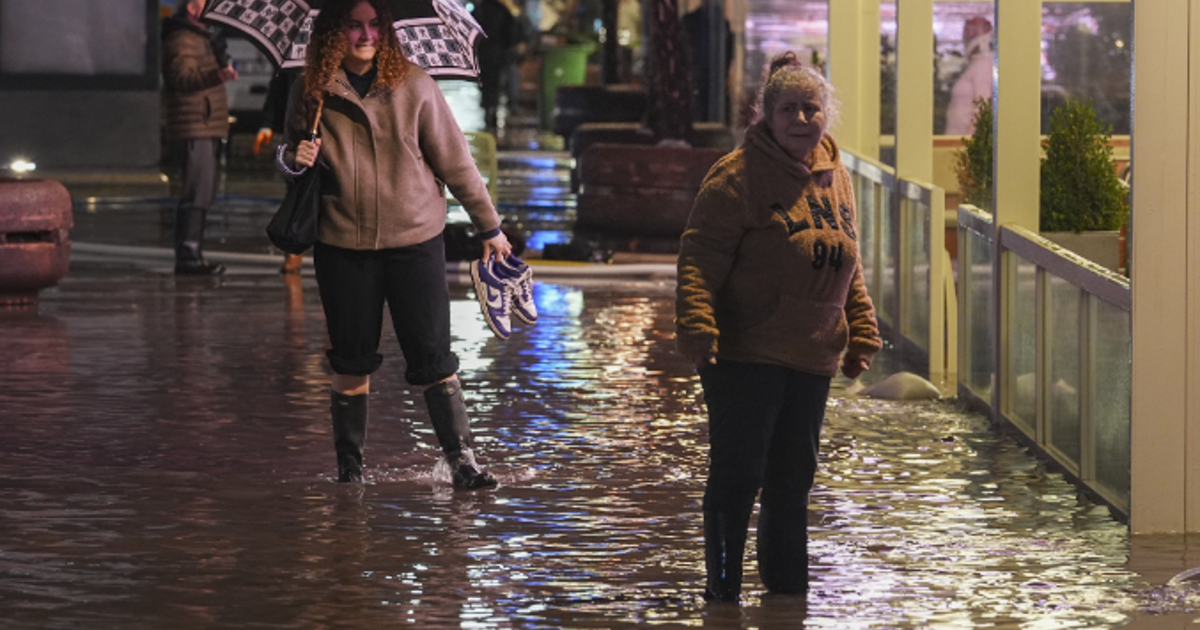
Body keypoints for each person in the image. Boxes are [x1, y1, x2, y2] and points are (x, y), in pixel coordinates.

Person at [279, 0, 513, 488]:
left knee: (433, 357)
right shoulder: (310, 91)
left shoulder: (414, 85)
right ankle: (350, 471)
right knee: (350, 358)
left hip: (415, 241)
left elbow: (456, 162)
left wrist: (489, 227)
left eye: (373, 26)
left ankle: (462, 461)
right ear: (332, 33)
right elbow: (291, 165)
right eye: (353, 26)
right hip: (342, 242)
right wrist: (294, 156)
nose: (365, 35)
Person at [675, 51, 882, 601]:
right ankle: (722, 594)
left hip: (813, 356)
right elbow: (699, 257)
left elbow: (848, 263)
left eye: (810, 108)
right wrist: (698, 328)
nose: (800, 119)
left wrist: (862, 331)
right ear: (765, 114)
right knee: (738, 476)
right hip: (746, 353)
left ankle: (788, 597)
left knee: (793, 482)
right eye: (788, 108)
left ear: (826, 115)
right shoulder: (736, 177)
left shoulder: (837, 178)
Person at [161, 0, 239, 275]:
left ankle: (193, 253)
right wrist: (216, 75)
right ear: (192, 7)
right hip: (194, 125)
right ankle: (188, 255)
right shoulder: (182, 38)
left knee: (204, 190)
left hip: (205, 124)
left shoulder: (204, 37)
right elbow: (181, 77)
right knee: (197, 191)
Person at [254, 69, 306, 274]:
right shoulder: (294, 59)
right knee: (293, 193)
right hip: (297, 130)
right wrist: (267, 124)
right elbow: (278, 89)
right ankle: (293, 251)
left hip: (332, 134)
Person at [472, 0, 520, 132]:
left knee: (485, 84)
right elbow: (511, 34)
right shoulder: (503, 11)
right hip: (498, 55)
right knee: (495, 84)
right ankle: (492, 110)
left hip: (483, 55)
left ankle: (487, 109)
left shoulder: (479, 10)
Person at [681, 0, 733, 122]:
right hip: (694, 84)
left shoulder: (722, 25)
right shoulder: (689, 22)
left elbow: (727, 56)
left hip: (714, 84)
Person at [944, 16, 993, 135]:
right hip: (956, 142)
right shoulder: (976, 64)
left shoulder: (984, 64)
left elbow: (982, 108)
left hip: (963, 145)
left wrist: (967, 144)